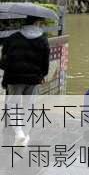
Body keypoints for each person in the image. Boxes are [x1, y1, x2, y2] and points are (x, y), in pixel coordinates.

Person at [0, 16, 50, 146]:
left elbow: (3, 59)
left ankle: (19, 133)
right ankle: (25, 135)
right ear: (37, 22)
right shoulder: (43, 40)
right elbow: (45, 63)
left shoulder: (12, 38)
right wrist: (42, 75)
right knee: (29, 106)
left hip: (14, 77)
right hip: (33, 78)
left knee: (12, 105)